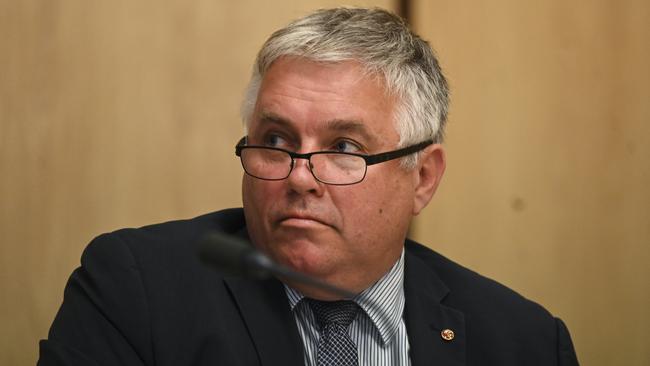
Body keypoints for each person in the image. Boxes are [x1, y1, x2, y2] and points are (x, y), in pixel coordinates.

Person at [38, 7, 579, 366]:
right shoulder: (136, 290)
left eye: (344, 148)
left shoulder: (524, 342)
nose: (299, 176)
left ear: (423, 177)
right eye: (275, 139)